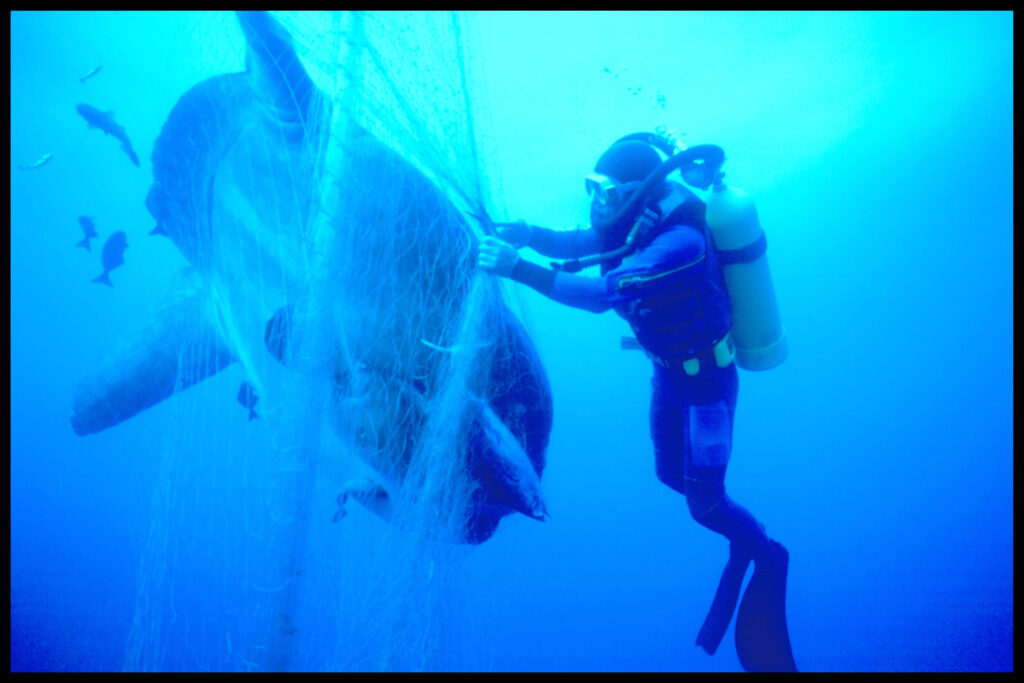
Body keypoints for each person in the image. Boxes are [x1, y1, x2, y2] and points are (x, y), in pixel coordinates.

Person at [477, 132, 796, 672]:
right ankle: (739, 533)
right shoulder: (635, 221)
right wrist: (525, 234)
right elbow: (583, 242)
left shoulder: (684, 243)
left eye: (605, 190)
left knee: (706, 504)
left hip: (706, 392)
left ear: (635, 191)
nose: (597, 200)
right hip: (668, 377)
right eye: (591, 187)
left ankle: (763, 550)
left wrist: (517, 266)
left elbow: (605, 294)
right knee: (669, 474)